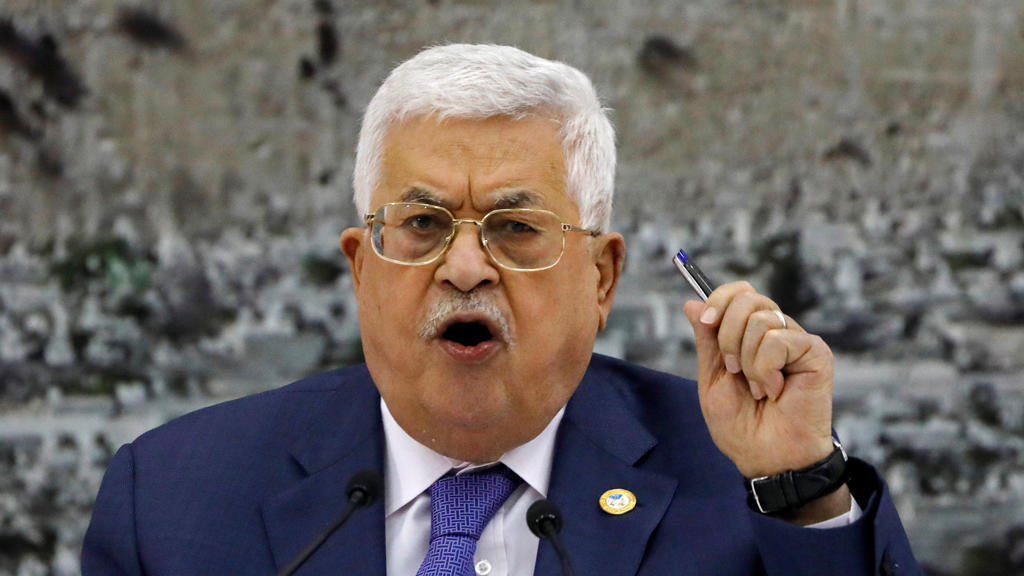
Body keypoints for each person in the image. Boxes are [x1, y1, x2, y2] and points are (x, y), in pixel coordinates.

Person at [82, 44, 920, 575]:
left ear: (602, 278)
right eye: (422, 225)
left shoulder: (740, 484)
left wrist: (801, 491)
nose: (466, 267)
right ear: (360, 269)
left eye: (516, 229)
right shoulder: (172, 503)